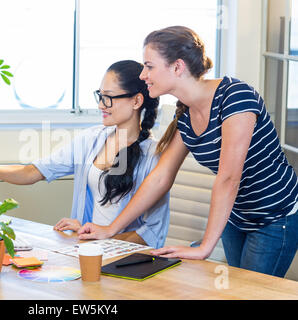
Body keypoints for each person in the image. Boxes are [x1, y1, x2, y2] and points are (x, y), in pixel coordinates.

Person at [78, 26, 298, 277]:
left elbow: (229, 178)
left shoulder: (236, 97)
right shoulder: (185, 116)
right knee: (238, 291)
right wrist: (111, 229)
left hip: (275, 215)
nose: (142, 75)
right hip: (236, 216)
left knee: (253, 293)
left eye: (149, 66)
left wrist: (204, 247)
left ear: (177, 67)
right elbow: (161, 178)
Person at [0, 60, 170, 248]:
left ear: (136, 101)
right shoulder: (91, 139)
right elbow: (33, 172)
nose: (101, 105)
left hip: (122, 260)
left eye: (109, 97)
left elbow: (152, 232)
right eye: (99, 96)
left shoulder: (153, 156)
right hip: (86, 252)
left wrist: (102, 240)